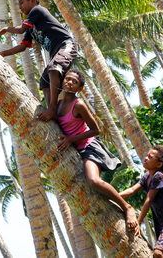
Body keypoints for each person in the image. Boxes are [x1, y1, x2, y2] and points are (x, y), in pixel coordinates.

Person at [56, 68, 139, 235]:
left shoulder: (78, 104)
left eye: (75, 82)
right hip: (76, 149)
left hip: (88, 147)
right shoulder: (57, 104)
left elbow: (96, 130)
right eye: (68, 79)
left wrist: (71, 139)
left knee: (93, 181)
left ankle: (127, 207)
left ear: (79, 89)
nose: (70, 82)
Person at [0, 0, 78, 121]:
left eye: (21, 3)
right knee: (45, 80)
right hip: (56, 52)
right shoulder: (31, 28)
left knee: (53, 68)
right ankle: (53, 109)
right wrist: (2, 53)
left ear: (32, 1)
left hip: (66, 45)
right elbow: (22, 46)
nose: (20, 7)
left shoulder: (37, 10)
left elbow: (21, 29)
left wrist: (6, 29)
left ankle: (52, 109)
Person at [119, 145, 163, 257]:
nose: (146, 158)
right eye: (147, 155)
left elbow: (149, 200)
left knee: (158, 253)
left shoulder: (158, 176)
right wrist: (115, 195)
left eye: (150, 157)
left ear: (159, 164)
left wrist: (138, 222)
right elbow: (132, 190)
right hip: (162, 223)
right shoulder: (146, 177)